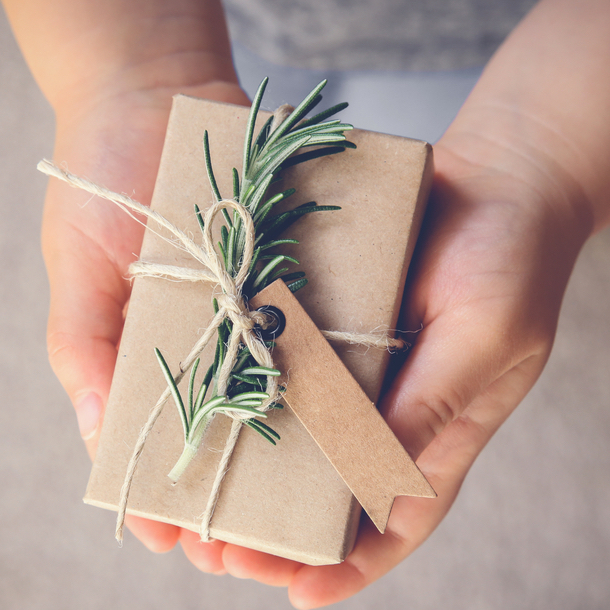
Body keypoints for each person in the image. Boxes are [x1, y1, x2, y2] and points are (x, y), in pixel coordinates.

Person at [3, 0, 609, 607]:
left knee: (400, 173)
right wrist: (128, 72)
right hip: (202, 23)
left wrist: (544, 159)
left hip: (526, 58)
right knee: (303, 137)